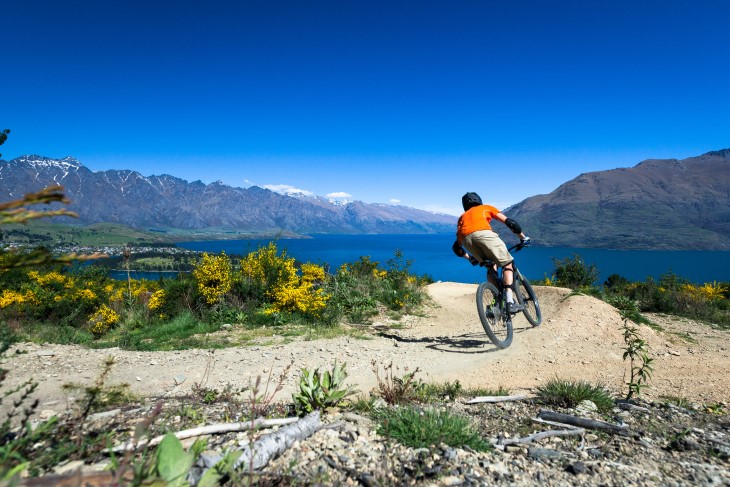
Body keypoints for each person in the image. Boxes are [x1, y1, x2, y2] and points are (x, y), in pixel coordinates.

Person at [452, 192, 529, 314]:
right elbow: (511, 223)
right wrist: (523, 238)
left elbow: (456, 248)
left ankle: (496, 301)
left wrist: (469, 258)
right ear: (479, 200)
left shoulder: (462, 217)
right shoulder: (485, 208)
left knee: (491, 266)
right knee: (507, 264)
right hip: (484, 235)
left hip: (466, 240)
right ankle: (509, 302)